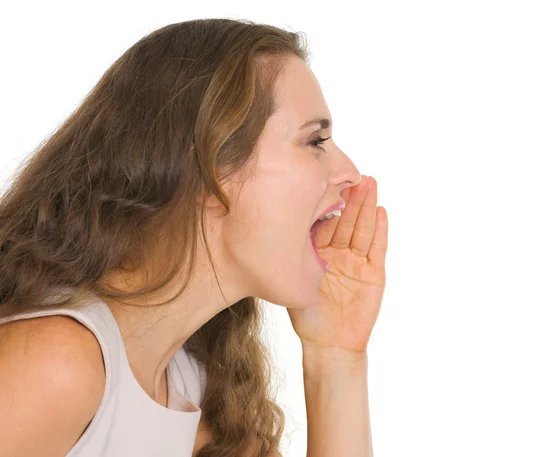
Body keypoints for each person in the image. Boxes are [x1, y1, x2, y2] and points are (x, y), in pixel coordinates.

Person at [0, 18, 388, 457]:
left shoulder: (191, 383)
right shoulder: (56, 365)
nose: (349, 174)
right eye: (315, 141)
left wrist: (336, 356)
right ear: (208, 168)